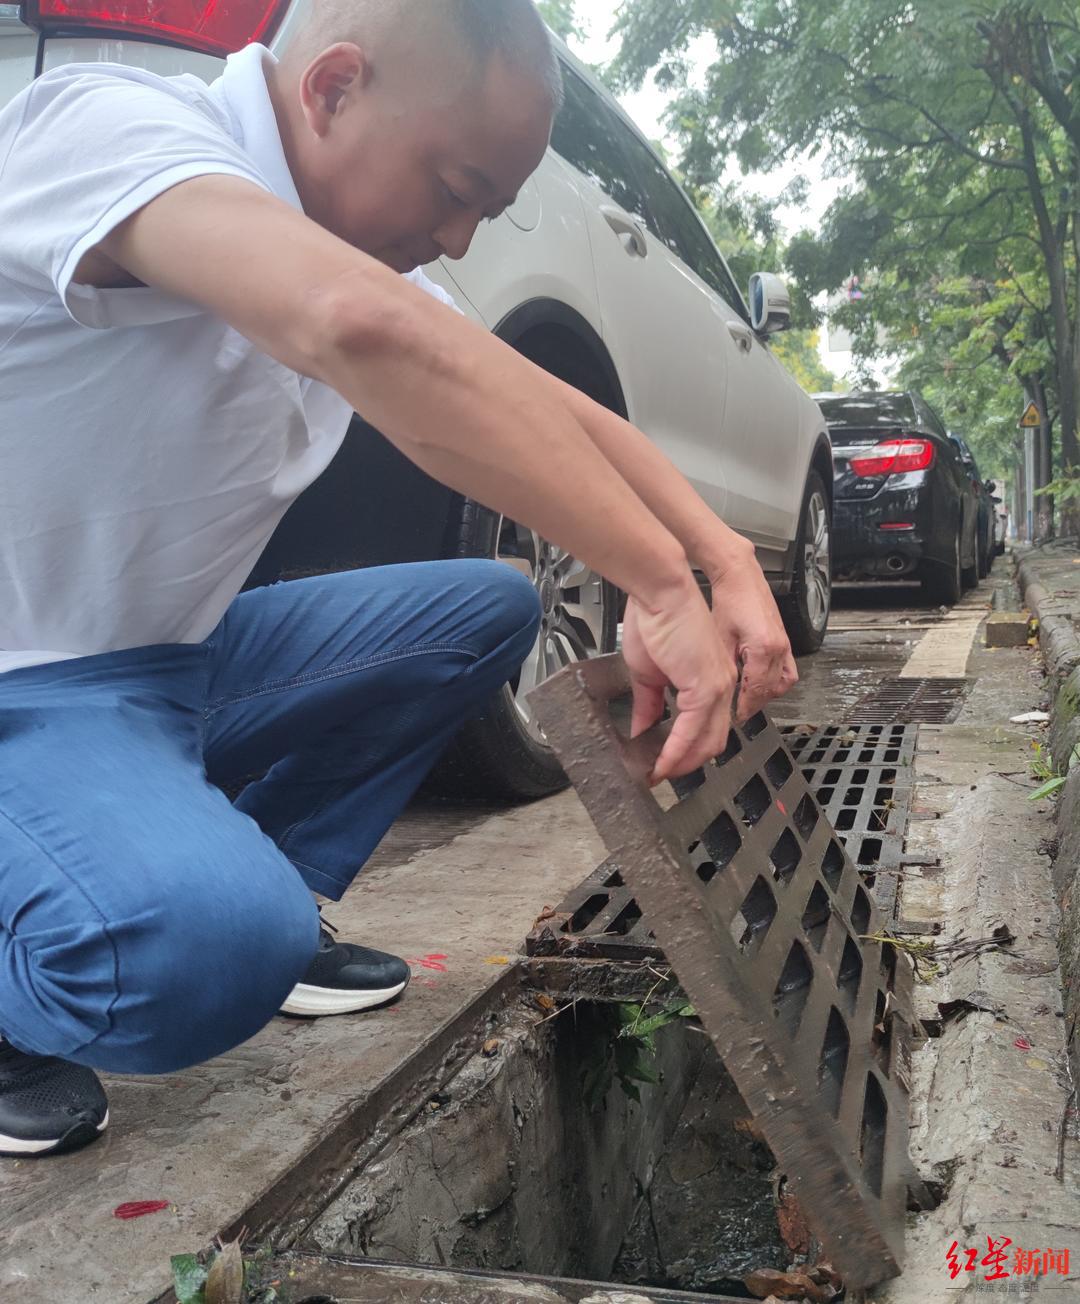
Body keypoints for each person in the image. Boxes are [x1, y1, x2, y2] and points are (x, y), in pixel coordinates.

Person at [0, 0, 797, 1158]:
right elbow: (352, 326)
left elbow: (550, 407)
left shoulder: (342, 241)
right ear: (332, 89)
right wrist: (657, 590)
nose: (464, 238)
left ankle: (253, 881)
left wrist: (715, 561)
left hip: (164, 669)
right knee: (190, 954)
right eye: (456, 186)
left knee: (488, 606)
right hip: (29, 679)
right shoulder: (117, 129)